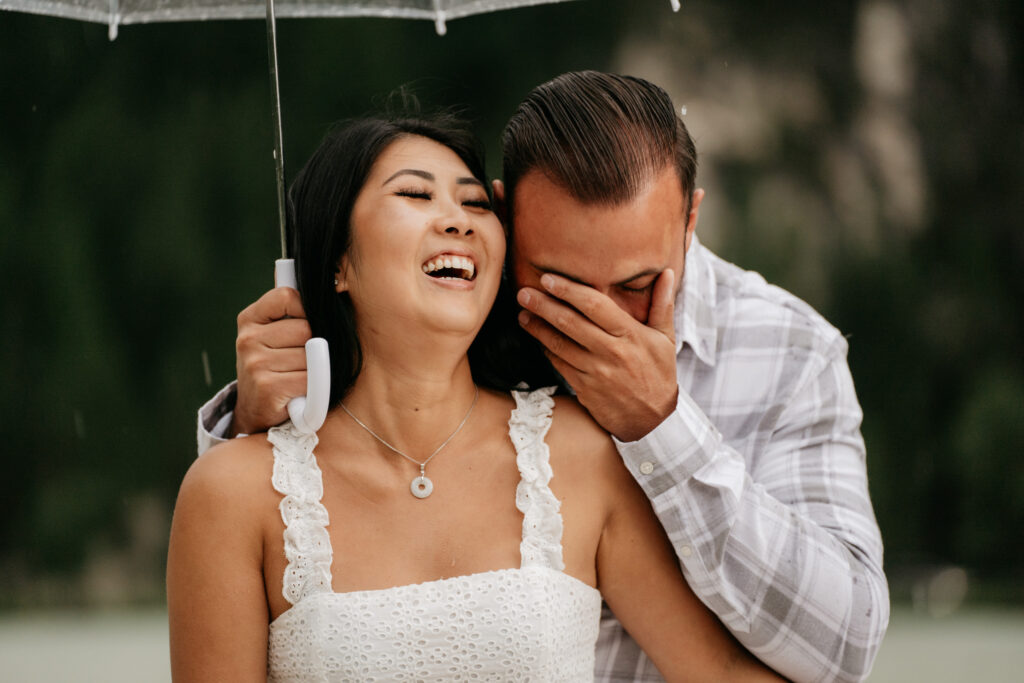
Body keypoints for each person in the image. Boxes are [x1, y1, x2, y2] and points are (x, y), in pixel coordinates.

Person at [197, 72, 889, 682]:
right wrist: (262, 419)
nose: (598, 325)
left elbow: (836, 650)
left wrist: (664, 425)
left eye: (637, 284)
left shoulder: (786, 353)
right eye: (560, 287)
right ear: (516, 224)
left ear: (691, 219)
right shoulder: (475, 302)